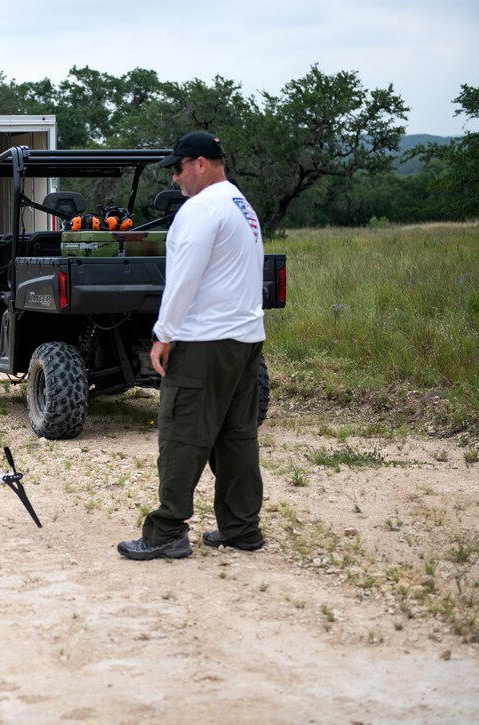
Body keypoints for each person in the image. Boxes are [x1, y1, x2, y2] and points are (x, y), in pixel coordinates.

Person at [117, 131, 267, 561]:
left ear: (201, 163)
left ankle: (166, 531)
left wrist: (164, 333)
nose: (175, 178)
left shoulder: (201, 208)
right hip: (244, 338)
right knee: (236, 436)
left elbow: (185, 277)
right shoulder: (240, 204)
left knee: (182, 432)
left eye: (179, 168)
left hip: (204, 340)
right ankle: (242, 528)